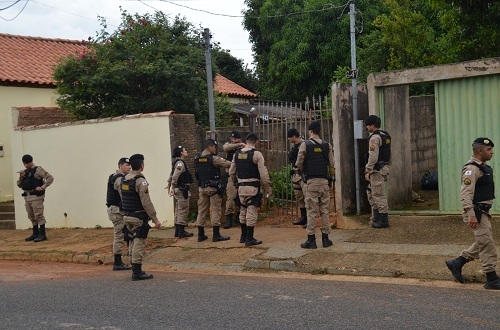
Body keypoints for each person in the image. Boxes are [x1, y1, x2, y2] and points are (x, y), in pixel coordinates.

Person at [446, 138, 500, 290]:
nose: (492, 152)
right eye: (489, 150)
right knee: (487, 244)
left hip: (482, 211)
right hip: (476, 211)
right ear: (479, 151)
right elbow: (465, 194)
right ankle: (491, 278)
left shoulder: (483, 168)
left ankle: (457, 262)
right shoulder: (472, 169)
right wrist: (470, 214)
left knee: (483, 241)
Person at [121, 154, 162, 281]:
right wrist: (155, 219)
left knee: (132, 242)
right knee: (139, 242)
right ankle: (137, 272)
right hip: (138, 217)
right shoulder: (140, 181)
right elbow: (146, 202)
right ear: (142, 166)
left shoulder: (125, 179)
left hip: (127, 216)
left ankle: (134, 267)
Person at [295, 121, 335, 249]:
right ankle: (326, 239)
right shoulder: (327, 145)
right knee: (325, 211)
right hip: (324, 182)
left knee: (311, 211)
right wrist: (331, 179)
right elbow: (332, 164)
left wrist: (300, 172)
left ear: (310, 131)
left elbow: (299, 162)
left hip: (311, 182)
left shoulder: (305, 145)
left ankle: (311, 240)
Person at [229, 132, 272, 246]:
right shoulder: (257, 154)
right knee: (251, 212)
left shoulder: (237, 154)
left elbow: (231, 171)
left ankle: (243, 236)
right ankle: (249, 238)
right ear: (256, 142)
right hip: (253, 188)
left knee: (243, 211)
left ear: (246, 141)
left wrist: (235, 183)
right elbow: (263, 174)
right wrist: (267, 187)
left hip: (241, 187)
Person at [194, 139, 231, 242]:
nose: (215, 149)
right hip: (213, 188)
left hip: (202, 188)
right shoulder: (213, 159)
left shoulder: (197, 158)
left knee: (201, 211)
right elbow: (228, 164)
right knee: (216, 210)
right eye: (214, 147)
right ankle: (216, 235)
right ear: (209, 147)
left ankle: (200, 235)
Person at [17, 154, 54, 242]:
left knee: (39, 215)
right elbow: (19, 185)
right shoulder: (25, 172)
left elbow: (50, 178)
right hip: (27, 196)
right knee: (31, 216)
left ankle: (42, 234)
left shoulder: (38, 169)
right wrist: (21, 177)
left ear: (30, 162)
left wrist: (43, 187)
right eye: (24, 163)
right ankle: (35, 233)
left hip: (36, 196)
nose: (25, 165)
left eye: (26, 163)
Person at [364, 115, 391, 229]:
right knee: (371, 191)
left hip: (376, 170)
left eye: (368, 125)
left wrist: (367, 170)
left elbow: (373, 156)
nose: (366, 127)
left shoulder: (374, 138)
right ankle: (376, 217)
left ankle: (383, 220)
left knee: (378, 194)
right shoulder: (385, 135)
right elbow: (389, 154)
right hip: (382, 167)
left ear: (372, 126)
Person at [106, 157, 132, 271]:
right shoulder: (118, 179)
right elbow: (123, 194)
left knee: (124, 234)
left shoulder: (117, 177)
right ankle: (117, 262)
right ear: (120, 166)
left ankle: (123, 260)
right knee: (119, 236)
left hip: (117, 210)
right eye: (127, 165)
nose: (129, 167)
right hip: (117, 211)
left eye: (130, 165)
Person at [166, 146, 194, 238]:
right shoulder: (180, 164)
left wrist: (170, 185)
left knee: (178, 210)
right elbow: (174, 176)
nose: (186, 151)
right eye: (185, 150)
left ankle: (177, 231)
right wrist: (172, 186)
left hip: (179, 189)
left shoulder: (176, 163)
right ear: (181, 153)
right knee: (183, 210)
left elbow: (171, 175)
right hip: (182, 189)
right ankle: (181, 231)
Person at [222, 130, 245, 229]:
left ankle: (239, 217)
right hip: (232, 176)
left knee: (241, 198)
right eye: (234, 139)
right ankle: (229, 219)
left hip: (242, 175)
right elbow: (225, 147)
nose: (236, 140)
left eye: (238, 138)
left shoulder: (243, 148)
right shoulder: (229, 146)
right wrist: (239, 144)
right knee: (231, 197)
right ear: (231, 139)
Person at [287, 128, 307, 228]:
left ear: (294, 136)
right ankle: (303, 218)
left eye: (290, 137)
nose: (289, 139)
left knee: (307, 197)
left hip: (303, 174)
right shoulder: (295, 146)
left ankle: (309, 219)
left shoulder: (305, 144)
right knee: (299, 196)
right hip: (295, 174)